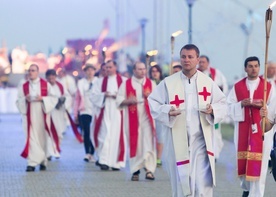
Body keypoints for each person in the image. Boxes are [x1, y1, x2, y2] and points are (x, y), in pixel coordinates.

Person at [148, 44, 227, 197]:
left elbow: (222, 104)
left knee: (201, 185)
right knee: (181, 185)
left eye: (190, 57)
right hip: (177, 141)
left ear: (197, 59)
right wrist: (167, 110)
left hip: (201, 142)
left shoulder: (208, 83)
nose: (186, 60)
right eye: (183, 56)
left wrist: (213, 110)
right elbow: (153, 103)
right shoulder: (168, 83)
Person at [227, 56, 274, 197]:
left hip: (262, 131)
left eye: (256, 66)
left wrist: (265, 107)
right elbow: (228, 107)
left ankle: (256, 194)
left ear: (259, 67)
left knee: (260, 165)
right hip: (243, 131)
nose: (253, 69)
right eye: (250, 66)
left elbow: (274, 107)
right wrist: (241, 104)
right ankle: (247, 189)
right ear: (245, 68)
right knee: (244, 163)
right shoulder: (237, 86)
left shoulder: (268, 87)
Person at [117, 62, 156, 181]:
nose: (142, 71)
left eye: (144, 69)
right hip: (132, 118)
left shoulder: (151, 83)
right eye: (139, 69)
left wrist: (150, 97)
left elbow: (159, 100)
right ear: (134, 70)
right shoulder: (126, 84)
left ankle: (149, 169)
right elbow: (119, 99)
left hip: (147, 118)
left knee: (149, 143)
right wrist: (128, 101)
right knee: (135, 143)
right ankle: (135, 170)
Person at [16, 63, 58, 172]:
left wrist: (42, 99)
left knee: (42, 137)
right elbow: (18, 100)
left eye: (33, 70)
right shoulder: (24, 86)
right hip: (29, 116)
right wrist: (25, 98)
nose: (30, 72)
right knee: (30, 138)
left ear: (38, 72)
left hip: (42, 114)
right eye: (29, 70)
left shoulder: (45, 84)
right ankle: (32, 163)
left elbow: (53, 98)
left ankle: (43, 160)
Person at [91, 60, 126, 170]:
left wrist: (118, 97)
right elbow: (93, 95)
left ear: (115, 67)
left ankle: (116, 163)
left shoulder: (124, 81)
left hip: (118, 111)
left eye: (110, 67)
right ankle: (103, 160)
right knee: (104, 135)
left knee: (117, 135)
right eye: (106, 67)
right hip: (105, 110)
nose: (108, 69)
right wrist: (103, 95)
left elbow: (129, 95)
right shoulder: (100, 82)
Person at [198, 55, 228, 161]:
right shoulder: (195, 74)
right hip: (200, 108)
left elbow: (223, 87)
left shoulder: (216, 73)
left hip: (213, 109)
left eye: (203, 62)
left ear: (208, 63)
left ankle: (214, 153)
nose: (201, 64)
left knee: (215, 132)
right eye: (200, 62)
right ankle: (203, 154)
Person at [74, 64, 98, 162]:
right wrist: (75, 113)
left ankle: (92, 152)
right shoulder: (81, 83)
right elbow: (77, 99)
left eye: (91, 70)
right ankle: (87, 153)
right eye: (88, 70)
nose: (90, 72)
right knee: (86, 132)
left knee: (94, 132)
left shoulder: (98, 82)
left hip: (95, 110)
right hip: (84, 110)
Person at [149, 64, 164, 167]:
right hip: (149, 112)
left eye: (156, 71)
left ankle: (158, 157)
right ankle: (150, 156)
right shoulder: (147, 83)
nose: (155, 73)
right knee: (149, 136)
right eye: (153, 71)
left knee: (160, 136)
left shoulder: (163, 84)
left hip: (159, 112)